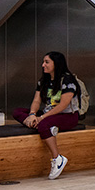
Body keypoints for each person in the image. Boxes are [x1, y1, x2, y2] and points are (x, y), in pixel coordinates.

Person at [12, 51, 82, 179]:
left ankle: (57, 158)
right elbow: (36, 101)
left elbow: (63, 105)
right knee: (17, 112)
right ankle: (46, 127)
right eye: (43, 62)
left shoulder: (67, 80)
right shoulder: (43, 81)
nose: (43, 65)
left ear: (56, 64)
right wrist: (33, 115)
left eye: (47, 62)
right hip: (48, 114)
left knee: (43, 124)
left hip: (68, 116)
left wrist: (42, 118)